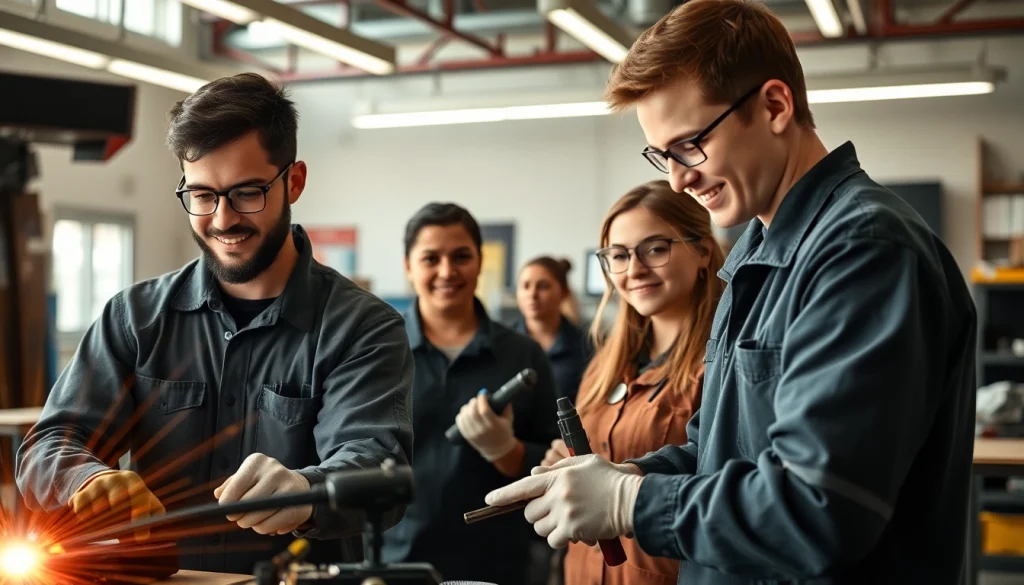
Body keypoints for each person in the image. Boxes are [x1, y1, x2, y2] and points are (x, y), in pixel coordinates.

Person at [485, 1, 977, 583]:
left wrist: (628, 504)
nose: (677, 179)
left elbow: (819, 509)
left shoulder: (864, 251)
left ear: (774, 106)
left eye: (690, 145)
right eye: (662, 155)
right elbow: (717, 454)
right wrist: (622, 475)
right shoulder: (753, 256)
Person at [16, 73, 414, 574]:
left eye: (247, 193)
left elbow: (379, 468)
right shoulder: (135, 318)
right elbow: (46, 447)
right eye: (202, 195)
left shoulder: (362, 328)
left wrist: (308, 491)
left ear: (293, 181)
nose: (223, 219)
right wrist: (87, 480)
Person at [542, 180, 724, 585]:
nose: (635, 269)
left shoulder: (721, 365)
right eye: (619, 256)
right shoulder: (606, 363)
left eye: (655, 249)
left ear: (702, 251)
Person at [381, 202, 561, 585]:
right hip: (396, 560)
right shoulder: (378, 353)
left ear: (480, 262)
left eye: (461, 256)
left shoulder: (522, 354)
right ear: (408, 267)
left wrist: (508, 452)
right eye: (431, 258)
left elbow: (556, 465)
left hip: (498, 563)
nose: (447, 271)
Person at [514, 257, 591, 402]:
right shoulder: (500, 344)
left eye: (543, 286)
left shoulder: (586, 347)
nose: (532, 294)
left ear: (564, 293)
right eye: (525, 286)